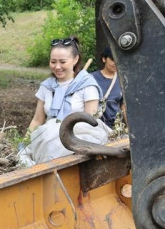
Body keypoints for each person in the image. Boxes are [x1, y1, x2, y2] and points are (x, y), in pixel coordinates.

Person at [21, 36, 108, 165]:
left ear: (75, 59)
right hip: (47, 142)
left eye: (62, 62)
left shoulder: (87, 85)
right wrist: (24, 143)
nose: (57, 67)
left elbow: (90, 121)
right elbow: (37, 120)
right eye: (53, 62)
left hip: (78, 140)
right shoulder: (47, 86)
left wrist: (59, 133)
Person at [91, 46, 125, 129]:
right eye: (113, 60)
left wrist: (129, 128)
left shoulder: (122, 80)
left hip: (116, 128)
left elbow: (123, 106)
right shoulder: (91, 78)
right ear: (104, 59)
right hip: (97, 126)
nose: (116, 63)